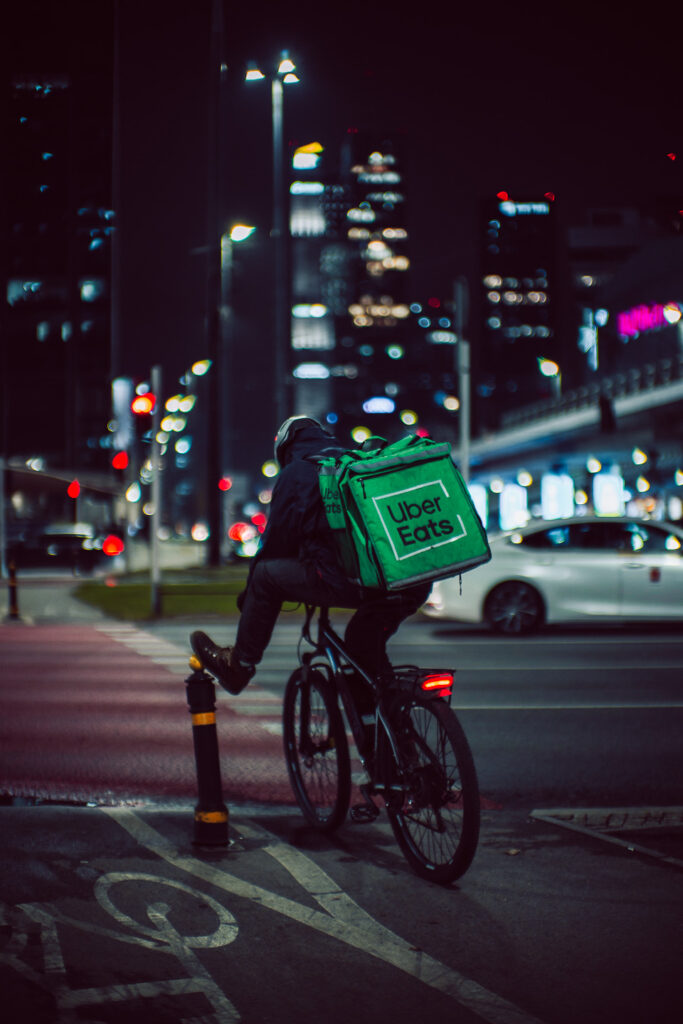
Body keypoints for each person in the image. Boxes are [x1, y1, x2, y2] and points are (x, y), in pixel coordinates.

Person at [191, 416, 431, 696]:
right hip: (411, 580)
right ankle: (383, 724)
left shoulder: (297, 473)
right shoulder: (356, 462)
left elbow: (276, 543)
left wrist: (251, 599)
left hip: (353, 581)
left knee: (265, 575)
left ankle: (239, 665)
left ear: (285, 448)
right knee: (361, 644)